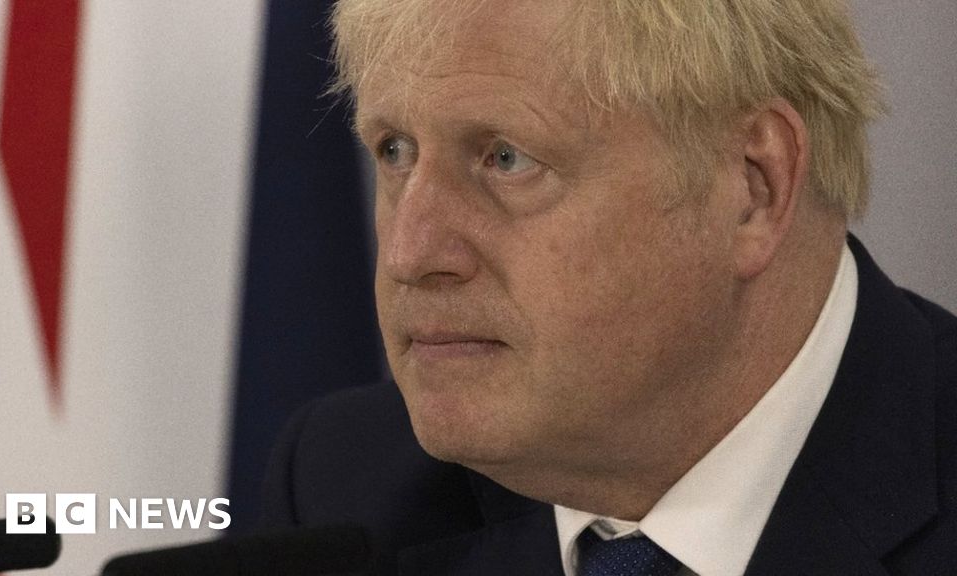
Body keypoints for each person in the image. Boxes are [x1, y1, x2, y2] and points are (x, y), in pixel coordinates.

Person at [263, 1, 957, 574]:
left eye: (505, 158)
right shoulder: (340, 486)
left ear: (753, 187)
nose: (409, 256)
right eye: (395, 151)